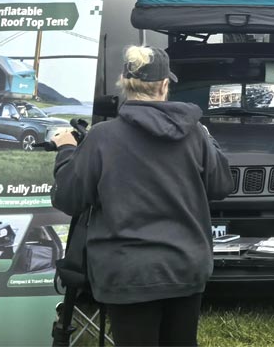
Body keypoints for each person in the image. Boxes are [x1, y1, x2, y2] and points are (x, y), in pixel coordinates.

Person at [52, 46, 233, 347]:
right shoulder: (195, 134)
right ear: (164, 85)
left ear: (124, 83)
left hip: (127, 272)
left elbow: (68, 198)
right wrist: (208, 139)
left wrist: (67, 151)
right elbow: (221, 185)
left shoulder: (102, 136)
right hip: (184, 266)